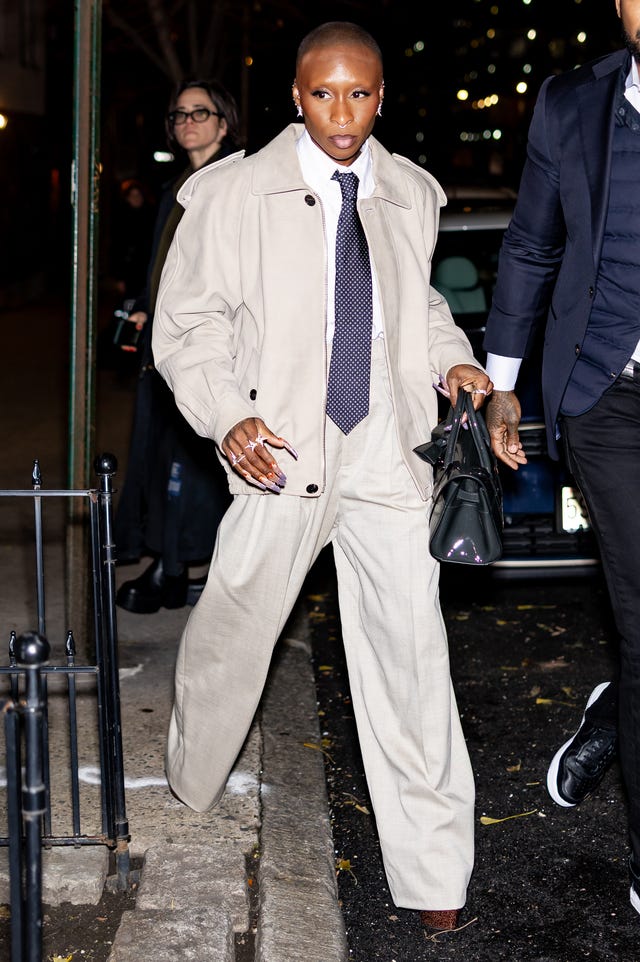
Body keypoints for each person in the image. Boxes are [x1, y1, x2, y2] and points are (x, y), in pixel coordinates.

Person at [152, 21, 492, 930]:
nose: (342, 115)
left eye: (361, 94)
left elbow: (415, 305)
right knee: (234, 629)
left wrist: (456, 362)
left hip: (386, 451)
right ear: (294, 96)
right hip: (282, 449)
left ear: (384, 95)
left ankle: (433, 874)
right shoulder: (226, 194)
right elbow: (188, 327)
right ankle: (189, 784)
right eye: (322, 94)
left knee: (411, 655)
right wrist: (228, 418)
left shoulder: (411, 191)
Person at [483, 0, 640, 918]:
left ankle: (617, 712)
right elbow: (535, 242)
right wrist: (505, 382)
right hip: (608, 395)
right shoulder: (572, 104)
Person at [114, 78, 240, 613]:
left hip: (212, 344)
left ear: (223, 122)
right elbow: (167, 267)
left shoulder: (235, 183)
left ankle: (184, 568)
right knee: (162, 454)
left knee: (195, 463)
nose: (187, 122)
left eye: (199, 112)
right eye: (179, 115)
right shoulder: (177, 187)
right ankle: (169, 562)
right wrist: (145, 303)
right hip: (165, 346)